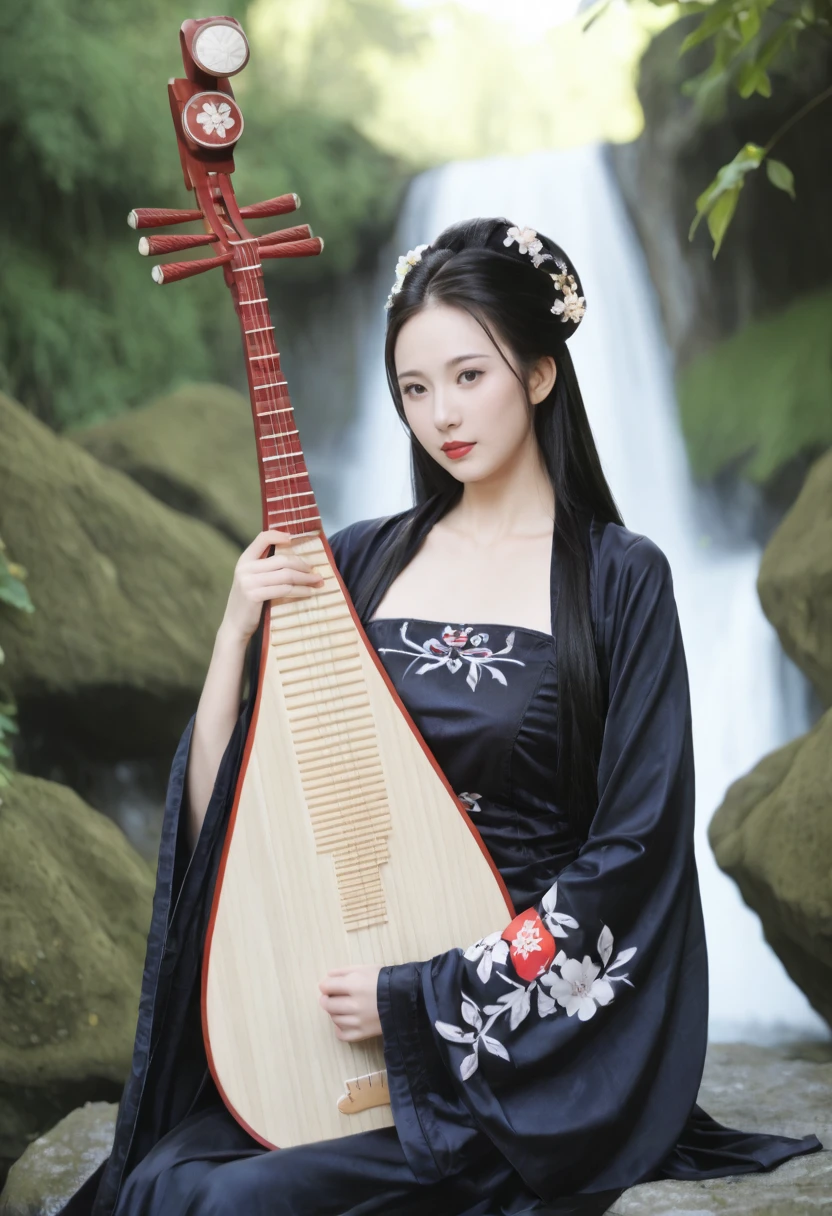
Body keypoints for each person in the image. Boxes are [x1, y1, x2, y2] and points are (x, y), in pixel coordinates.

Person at [58, 218, 822, 1216]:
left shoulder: (618, 579)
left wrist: (421, 991)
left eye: (468, 376)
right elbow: (237, 809)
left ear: (540, 374)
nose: (440, 415)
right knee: (161, 1175)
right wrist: (234, 633)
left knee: (231, 1203)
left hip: (519, 1040)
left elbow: (634, 844)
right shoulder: (363, 560)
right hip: (341, 993)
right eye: (414, 389)